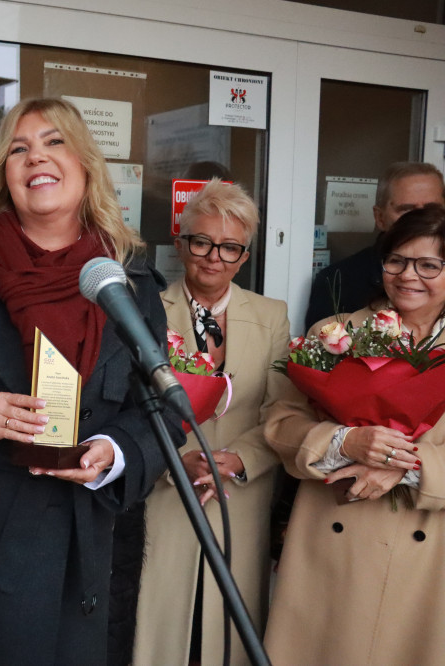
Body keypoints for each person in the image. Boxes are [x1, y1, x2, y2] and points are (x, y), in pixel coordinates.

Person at [0, 97, 178, 666]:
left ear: (84, 165)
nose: (37, 158)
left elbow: (162, 411)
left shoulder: (130, 280)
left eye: (54, 142)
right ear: (4, 173)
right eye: (18, 148)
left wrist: (114, 449)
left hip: (92, 546)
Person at [264, 206, 445, 665]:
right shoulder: (335, 332)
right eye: (397, 260)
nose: (409, 276)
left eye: (429, 265)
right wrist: (345, 441)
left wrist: (407, 466)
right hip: (332, 543)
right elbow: (280, 424)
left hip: (427, 556)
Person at [133, 180, 291, 666]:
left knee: (228, 631)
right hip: (163, 487)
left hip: (239, 495)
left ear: (245, 256)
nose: (213, 257)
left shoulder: (271, 316)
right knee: (162, 624)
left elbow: (282, 412)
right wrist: (176, 460)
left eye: (230, 247)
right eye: (201, 242)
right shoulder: (146, 311)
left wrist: (240, 459)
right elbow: (129, 404)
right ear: (181, 244)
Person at [305, 162, 444, 329]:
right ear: (379, 217)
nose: (420, 220)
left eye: (432, 210)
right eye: (407, 210)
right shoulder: (338, 281)